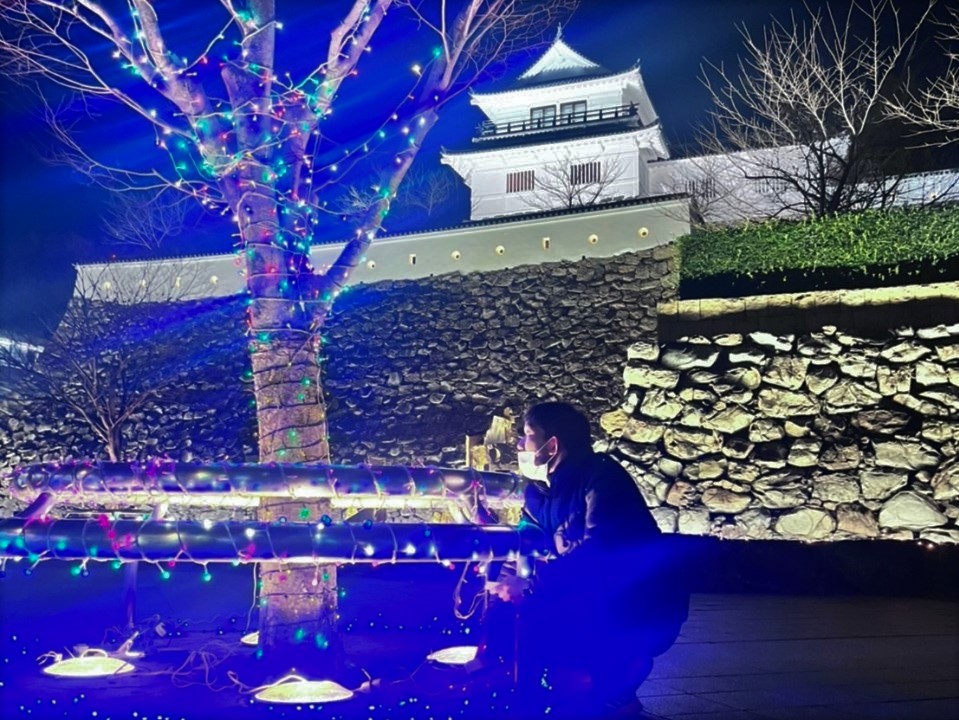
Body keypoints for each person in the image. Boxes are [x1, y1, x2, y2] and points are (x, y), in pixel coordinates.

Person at [478, 401, 688, 712]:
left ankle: (612, 684)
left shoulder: (602, 478)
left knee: (583, 671)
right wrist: (503, 578)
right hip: (591, 594)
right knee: (511, 619)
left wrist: (532, 581)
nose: (520, 444)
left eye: (528, 434)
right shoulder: (543, 492)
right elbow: (528, 540)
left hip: (637, 602)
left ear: (552, 445)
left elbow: (603, 551)